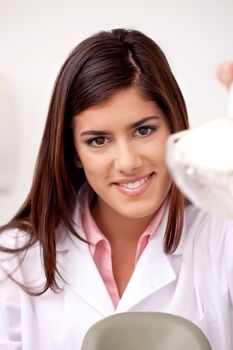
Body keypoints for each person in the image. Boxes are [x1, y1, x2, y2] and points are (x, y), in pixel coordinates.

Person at [0, 28, 232, 350]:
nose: (127, 162)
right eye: (98, 140)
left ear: (174, 127)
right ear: (74, 153)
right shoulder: (14, 261)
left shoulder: (222, 238)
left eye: (143, 130)